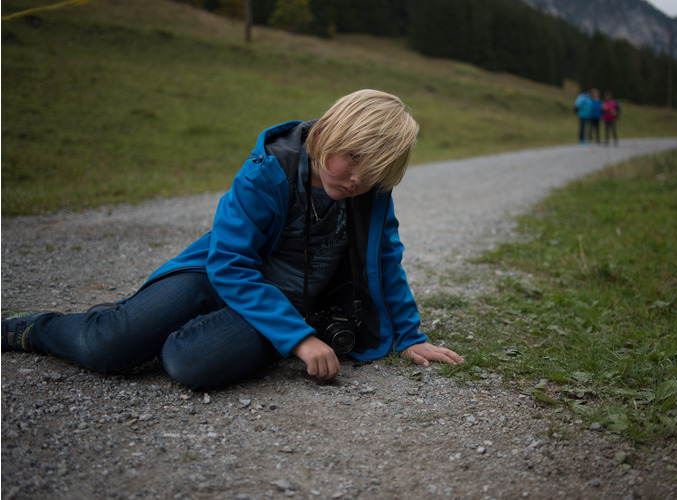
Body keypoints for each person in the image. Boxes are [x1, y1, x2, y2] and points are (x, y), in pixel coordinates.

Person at [2, 89, 464, 390]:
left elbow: (384, 262)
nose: (358, 178)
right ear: (327, 130)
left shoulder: (370, 194)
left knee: (189, 364)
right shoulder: (267, 171)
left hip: (278, 302)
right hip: (215, 274)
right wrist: (302, 343)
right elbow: (228, 263)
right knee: (108, 347)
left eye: (374, 174)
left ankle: (179, 333)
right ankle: (29, 327)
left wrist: (409, 336)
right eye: (352, 158)